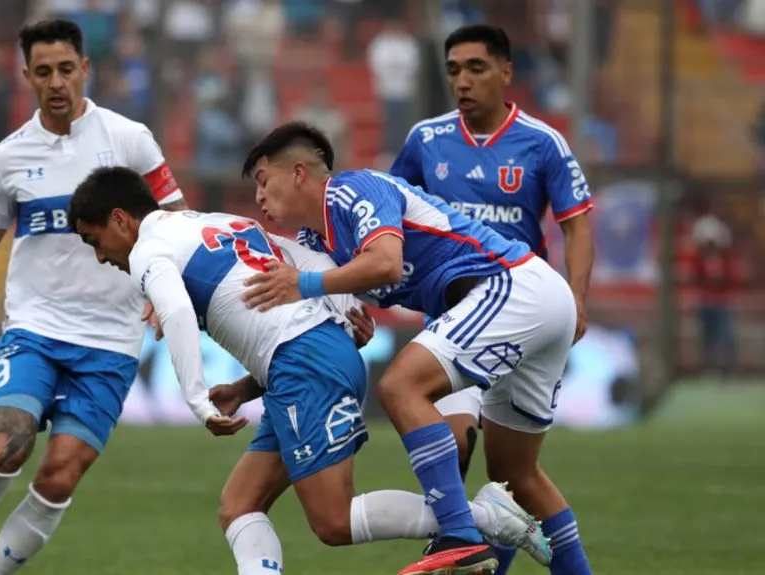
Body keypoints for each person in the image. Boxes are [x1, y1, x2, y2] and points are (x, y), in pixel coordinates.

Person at [67, 166, 550, 575]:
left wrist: (194, 399)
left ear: (120, 219)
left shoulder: (150, 249)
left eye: (95, 241)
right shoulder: (213, 221)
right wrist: (333, 319)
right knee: (239, 504)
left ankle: (486, 517)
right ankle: (479, 518)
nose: (101, 256)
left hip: (304, 362)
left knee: (333, 522)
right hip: (302, 359)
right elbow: (308, 258)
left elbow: (173, 313)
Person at [240, 122, 594, 575]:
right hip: (534, 303)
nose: (259, 198)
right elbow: (334, 312)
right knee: (515, 476)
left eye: (264, 181)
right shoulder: (316, 243)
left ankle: (460, 536)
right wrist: (248, 385)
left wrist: (303, 284)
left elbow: (386, 263)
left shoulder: (351, 190)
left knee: (401, 386)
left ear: (299, 173)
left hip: (513, 287)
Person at [0, 19, 186, 575]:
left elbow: (177, 221)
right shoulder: (9, 156)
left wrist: (164, 287)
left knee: (58, 476)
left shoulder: (128, 139)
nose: (56, 82)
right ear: (26, 77)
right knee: (9, 443)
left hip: (111, 338)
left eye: (65, 69)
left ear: (85, 69)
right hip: (35, 326)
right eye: (43, 72)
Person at [388, 25, 595, 573]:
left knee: (511, 478)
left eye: (476, 68)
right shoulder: (426, 140)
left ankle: (471, 548)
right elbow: (389, 213)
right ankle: (465, 543)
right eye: (453, 69)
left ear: (506, 73)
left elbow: (577, 224)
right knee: (456, 447)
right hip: (454, 321)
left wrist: (576, 297)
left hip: (520, 316)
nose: (462, 80)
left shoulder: (542, 142)